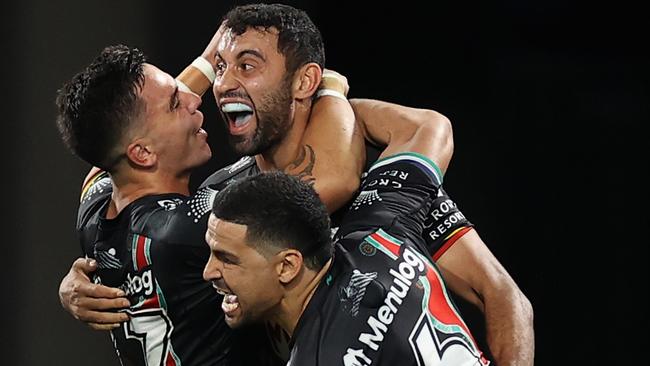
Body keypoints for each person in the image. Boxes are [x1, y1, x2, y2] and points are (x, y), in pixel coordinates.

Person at [60, 3, 533, 365]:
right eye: (220, 69)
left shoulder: (379, 175)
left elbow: (502, 295)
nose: (217, 88)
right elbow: (335, 177)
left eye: (246, 65)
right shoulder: (227, 205)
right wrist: (330, 91)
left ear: (300, 80)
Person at [55, 41, 361, 365]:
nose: (193, 98)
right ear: (142, 154)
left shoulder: (95, 207)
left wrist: (216, 53)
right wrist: (328, 86)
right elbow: (335, 179)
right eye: (175, 103)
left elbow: (108, 145)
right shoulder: (190, 229)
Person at [201, 129, 488, 364]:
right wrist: (331, 94)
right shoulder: (380, 232)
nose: (208, 272)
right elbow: (425, 128)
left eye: (226, 258)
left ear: (287, 266)